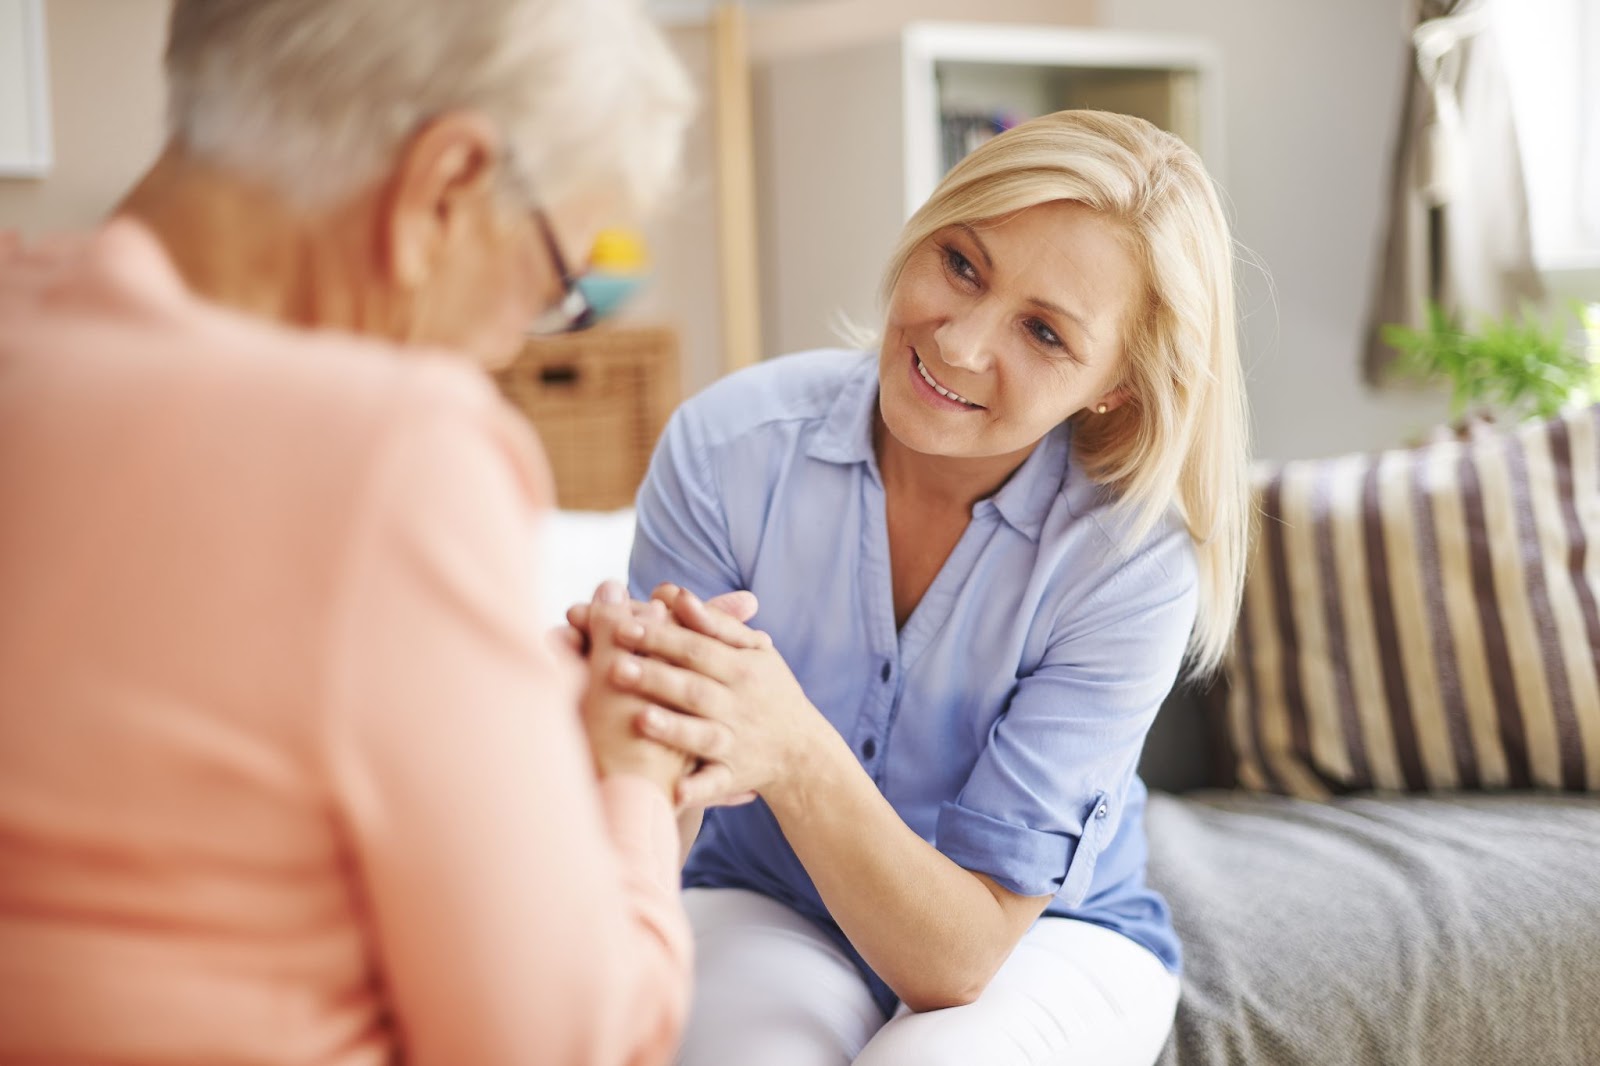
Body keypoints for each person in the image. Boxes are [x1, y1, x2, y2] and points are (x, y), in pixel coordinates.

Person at [0, 1, 707, 1063]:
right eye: (552, 283)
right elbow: (562, 1041)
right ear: (446, 185)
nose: (514, 343)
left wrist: (502, 712)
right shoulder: (397, 453)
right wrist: (633, 781)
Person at [593, 110, 1253, 1065]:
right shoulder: (727, 448)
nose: (960, 342)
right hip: (766, 898)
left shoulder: (1129, 562)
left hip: (1043, 941)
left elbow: (960, 960)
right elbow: (656, 808)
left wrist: (790, 745)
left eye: (1044, 331)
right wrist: (625, 728)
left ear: (1118, 387)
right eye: (961, 264)